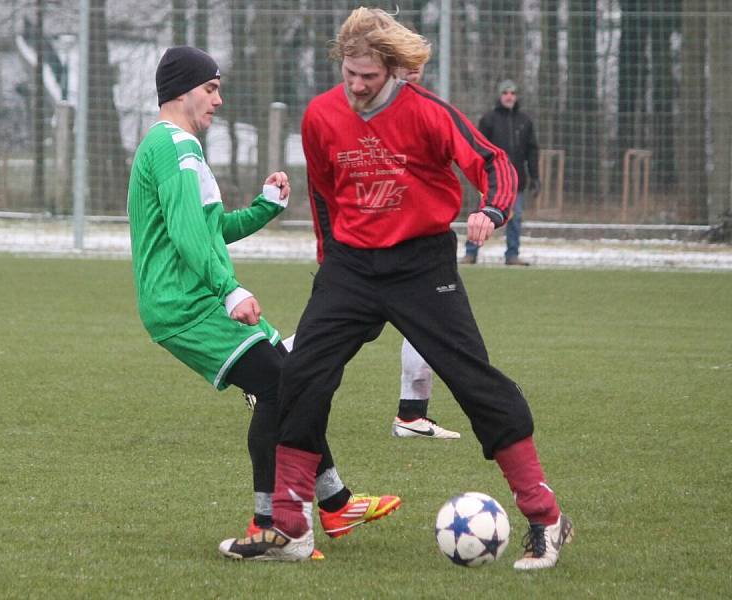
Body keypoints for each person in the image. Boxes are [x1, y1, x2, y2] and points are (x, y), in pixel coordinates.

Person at [219, 9, 572, 569]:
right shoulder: (320, 116)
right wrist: (330, 266)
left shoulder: (429, 113)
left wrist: (494, 209)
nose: (357, 86)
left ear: (398, 71)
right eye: (350, 74)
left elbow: (492, 161)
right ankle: (289, 527)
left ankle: (545, 516)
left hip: (420, 267)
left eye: (370, 77)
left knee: (475, 383)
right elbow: (325, 199)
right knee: (299, 377)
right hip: (350, 269)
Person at [127, 46, 399, 560]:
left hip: (193, 296)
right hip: (185, 305)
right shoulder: (175, 147)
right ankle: (272, 522)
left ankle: (333, 502)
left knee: (291, 378)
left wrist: (262, 208)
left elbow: (208, 231)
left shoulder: (177, 146)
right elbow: (188, 237)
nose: (218, 99)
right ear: (182, 91)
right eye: (211, 88)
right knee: (281, 387)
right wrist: (229, 289)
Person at [387, 62, 460, 441]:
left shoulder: (428, 112)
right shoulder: (375, 115)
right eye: (405, 67)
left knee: (426, 326)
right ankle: (270, 367)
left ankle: (412, 415)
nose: (414, 75)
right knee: (339, 332)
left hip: (418, 245)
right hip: (382, 248)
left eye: (419, 68)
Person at [464, 79, 540, 266]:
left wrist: (535, 177)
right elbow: (478, 150)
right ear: (500, 95)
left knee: (516, 218)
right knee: (481, 216)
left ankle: (512, 254)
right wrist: (479, 176)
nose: (509, 96)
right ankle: (471, 252)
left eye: (512, 93)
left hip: (516, 181)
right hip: (490, 180)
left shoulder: (525, 121)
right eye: (506, 93)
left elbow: (532, 151)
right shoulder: (488, 119)